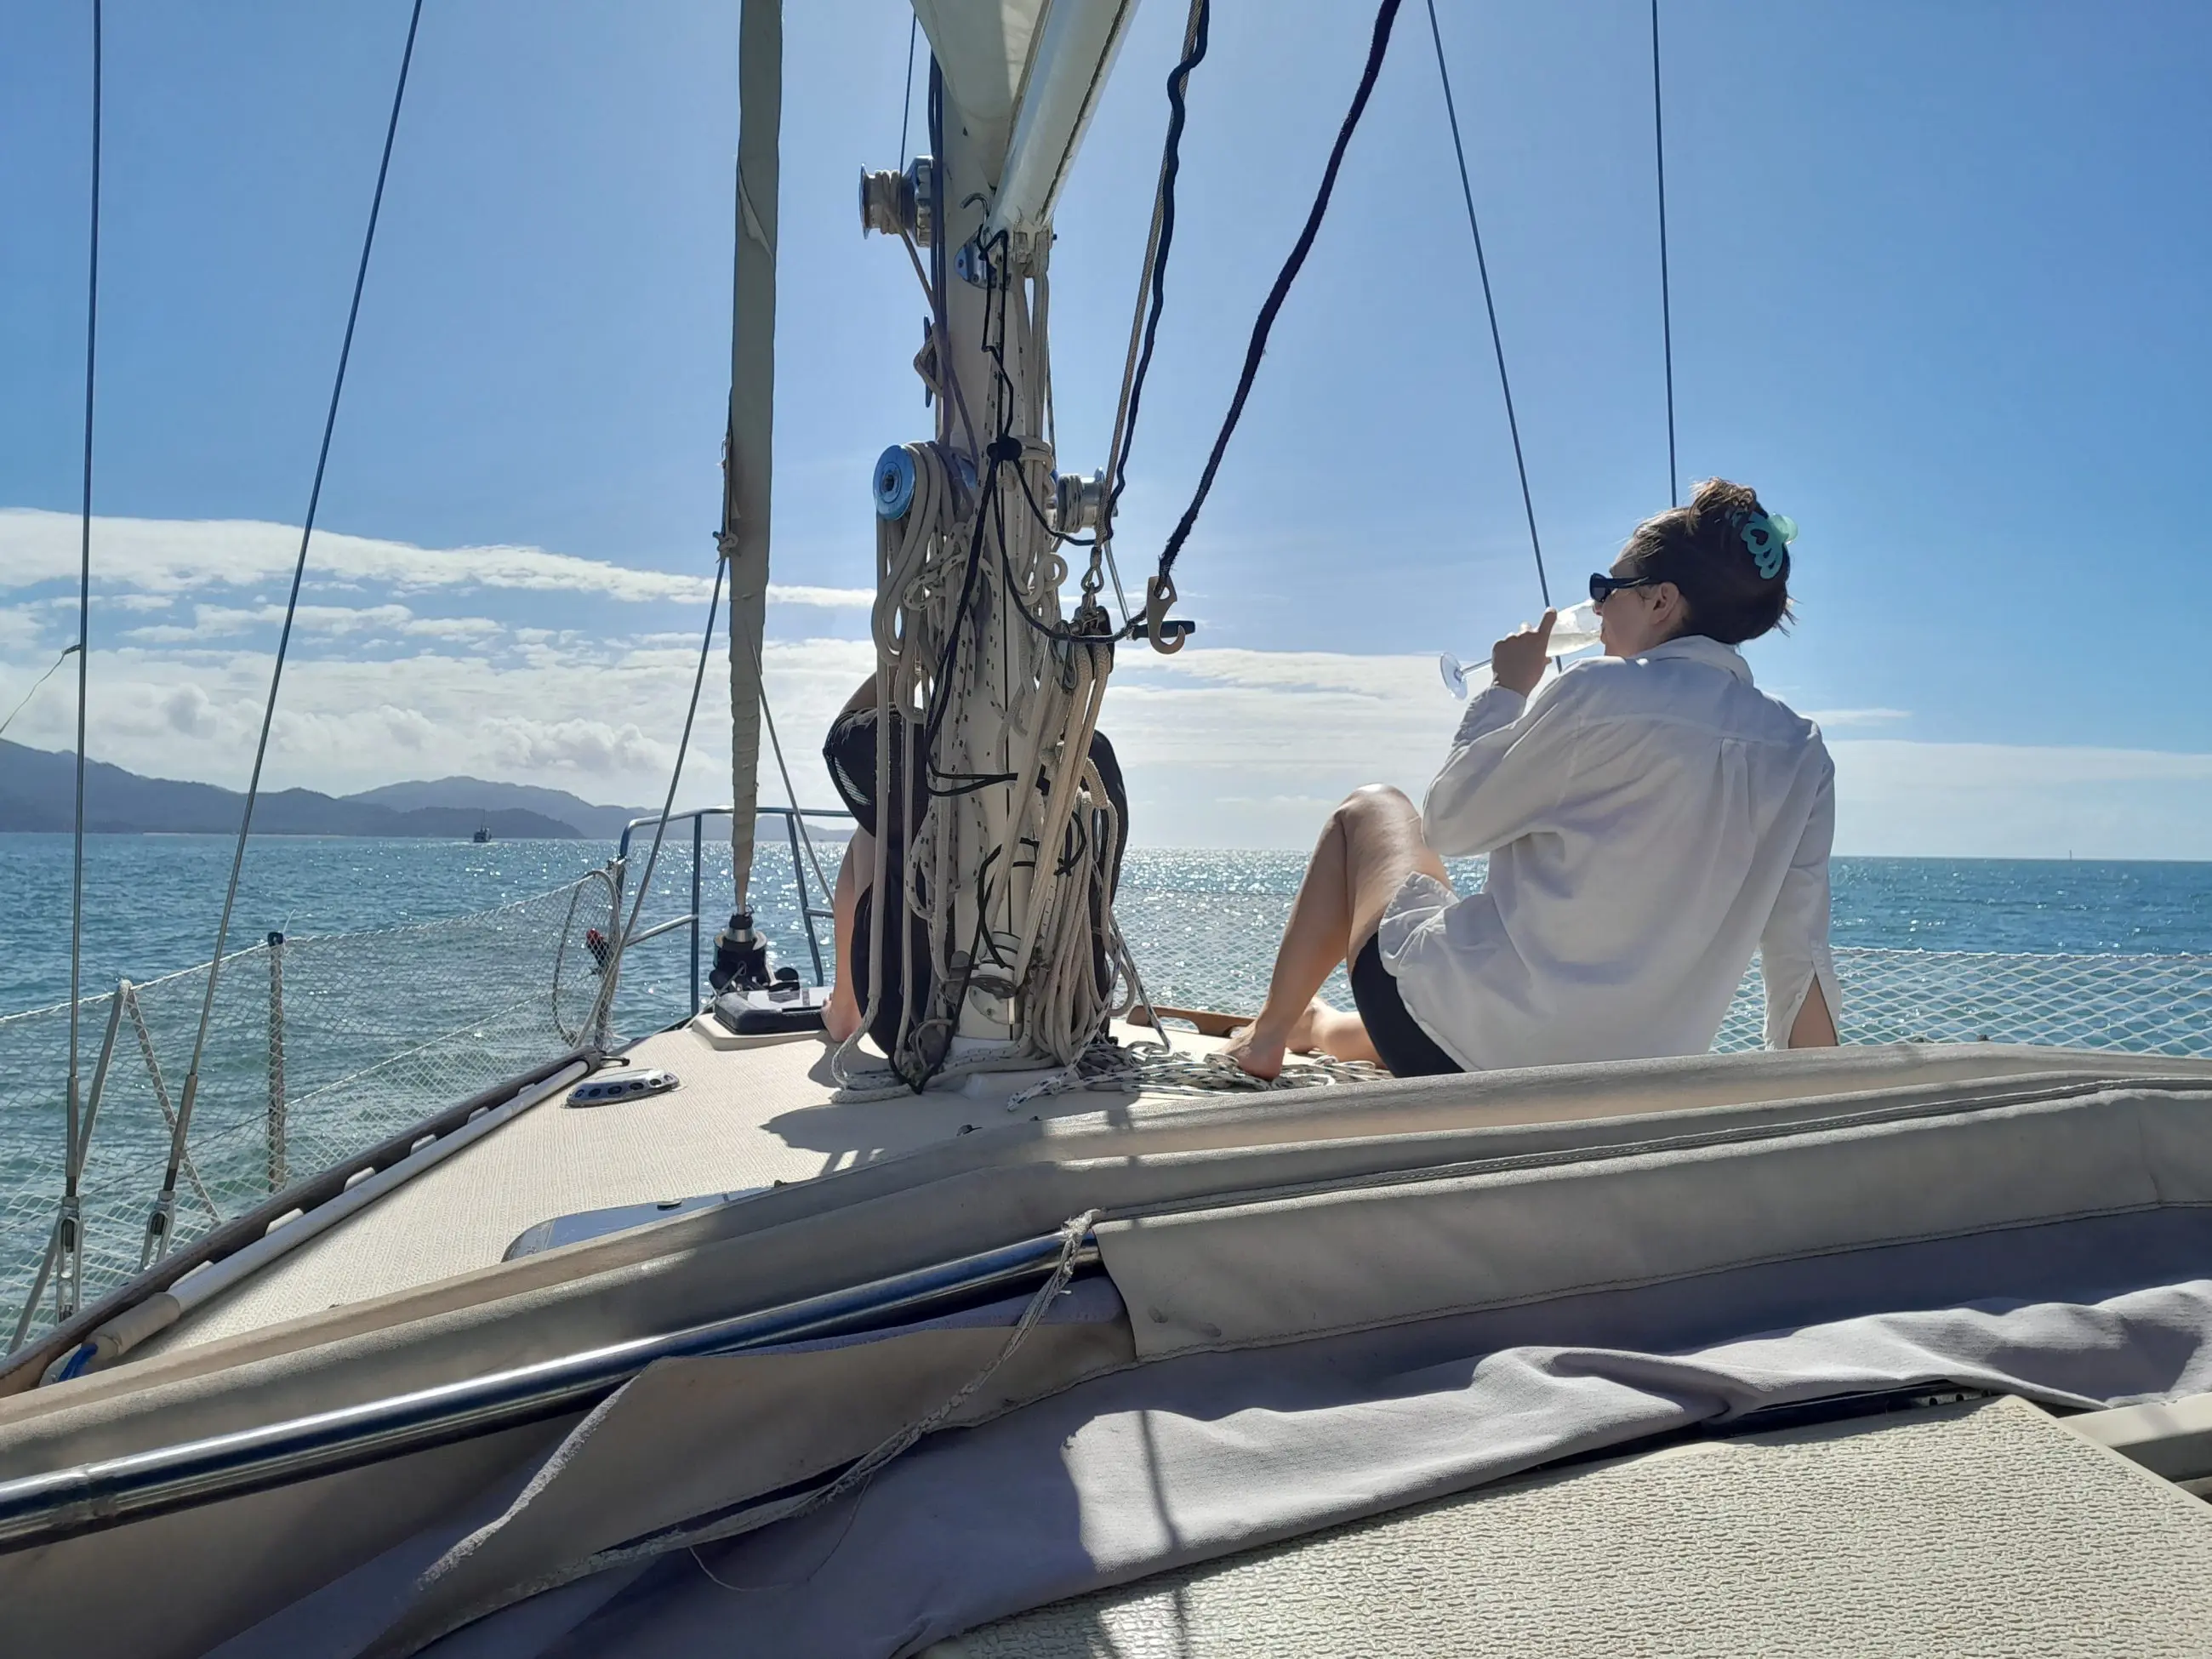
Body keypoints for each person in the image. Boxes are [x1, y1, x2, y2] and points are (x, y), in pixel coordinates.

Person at [1224, 477, 1839, 1080]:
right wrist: (1828, 1116)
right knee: (1459, 998)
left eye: (1608, 586)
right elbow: (1799, 958)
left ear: (1660, 601)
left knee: (1370, 808)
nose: (1596, 606)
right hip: (1621, 1088)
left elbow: (1450, 824)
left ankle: (1269, 1037)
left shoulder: (1600, 691)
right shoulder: (1801, 752)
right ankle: (1316, 1026)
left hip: (1458, 1048)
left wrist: (1507, 691)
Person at [821, 677, 1129, 1052]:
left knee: (871, 830)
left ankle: (845, 1010)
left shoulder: (915, 744)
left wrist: (907, 661)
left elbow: (839, 740)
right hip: (1075, 1026)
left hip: (919, 1027)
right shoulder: (1090, 752)